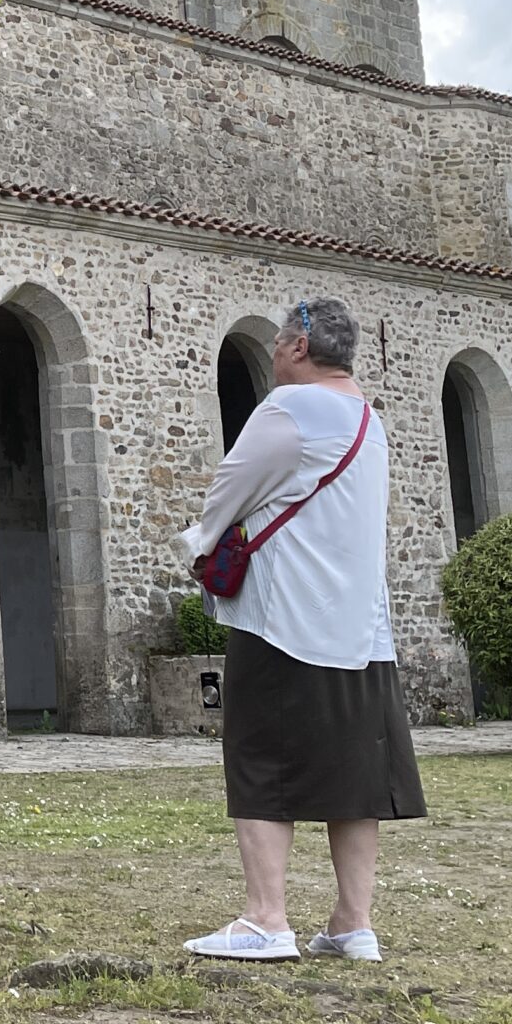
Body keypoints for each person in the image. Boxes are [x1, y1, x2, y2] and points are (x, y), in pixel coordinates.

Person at [180, 296, 425, 963]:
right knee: (357, 773)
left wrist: (200, 544)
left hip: (284, 619)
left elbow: (227, 492)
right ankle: (353, 922)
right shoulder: (368, 420)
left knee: (262, 761)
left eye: (278, 343)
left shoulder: (287, 409)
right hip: (363, 628)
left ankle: (266, 918)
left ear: (295, 347)